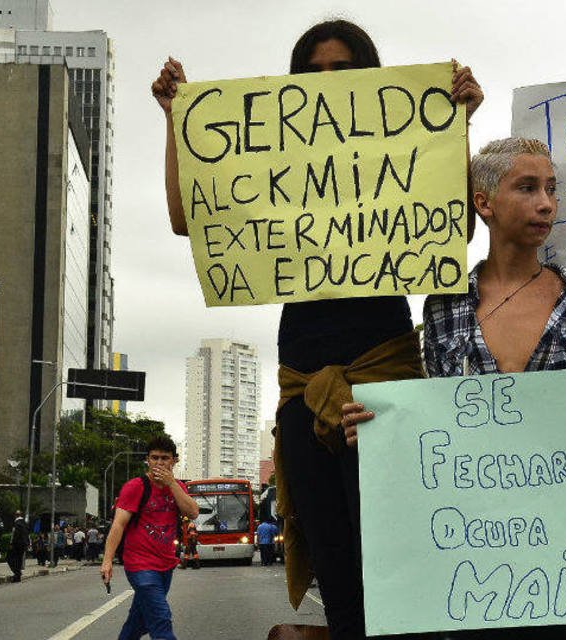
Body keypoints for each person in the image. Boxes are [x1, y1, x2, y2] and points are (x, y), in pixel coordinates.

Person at [151, 19, 482, 640]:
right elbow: (183, 215)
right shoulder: (278, 154)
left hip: (385, 380)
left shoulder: (397, 146)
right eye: (315, 72)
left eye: (344, 70)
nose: (329, 82)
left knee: (390, 556)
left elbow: (453, 224)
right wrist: (178, 119)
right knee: (334, 556)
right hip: (301, 388)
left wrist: (456, 123)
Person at [342, 137, 566, 639]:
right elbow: (437, 429)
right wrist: (383, 436)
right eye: (528, 188)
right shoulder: (445, 306)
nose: (546, 204)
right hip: (473, 564)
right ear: (484, 202)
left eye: (552, 190)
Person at [101, 435, 199, 640]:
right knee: (161, 618)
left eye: (165, 458)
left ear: (174, 461)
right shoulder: (135, 487)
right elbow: (118, 525)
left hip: (165, 565)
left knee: (138, 622)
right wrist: (107, 560)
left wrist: (171, 483)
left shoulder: (178, 487)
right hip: (139, 565)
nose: (159, 463)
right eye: (154, 458)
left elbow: (193, 513)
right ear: (147, 460)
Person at [7, 511, 28, 583]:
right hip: (23, 545)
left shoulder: (16, 523)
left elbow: (14, 534)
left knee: (10, 558)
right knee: (19, 559)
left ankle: (17, 573)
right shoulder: (25, 523)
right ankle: (18, 576)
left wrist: (11, 543)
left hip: (16, 545)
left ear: (15, 516)